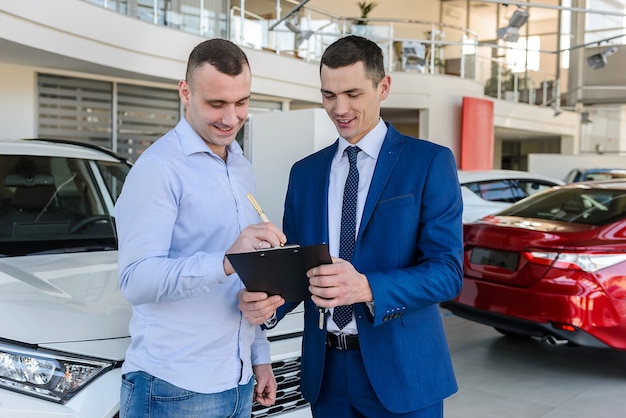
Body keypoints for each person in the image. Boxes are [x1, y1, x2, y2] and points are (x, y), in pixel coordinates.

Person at [239, 35, 463, 417]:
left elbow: (448, 272)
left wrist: (367, 287)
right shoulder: (305, 172)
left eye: (353, 94)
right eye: (329, 95)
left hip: (404, 374)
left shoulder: (429, 163)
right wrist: (269, 306)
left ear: (384, 87)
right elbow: (298, 267)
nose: (339, 109)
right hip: (326, 377)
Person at [115, 38, 286, 418]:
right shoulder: (157, 169)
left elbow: (245, 280)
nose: (231, 117)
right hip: (173, 388)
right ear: (185, 93)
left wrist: (259, 356)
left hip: (239, 383)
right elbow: (136, 280)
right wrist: (225, 260)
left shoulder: (241, 166)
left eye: (241, 102)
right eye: (216, 104)